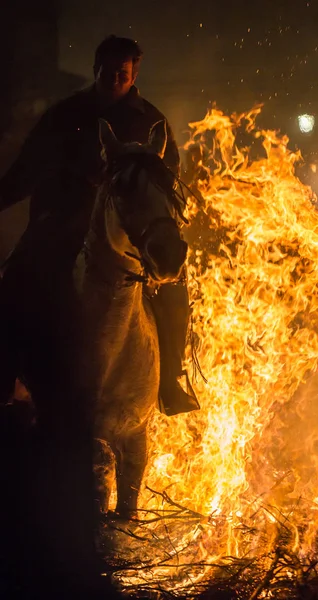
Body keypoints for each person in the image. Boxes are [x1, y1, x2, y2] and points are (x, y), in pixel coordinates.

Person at [0, 35, 197, 415]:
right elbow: (27, 171)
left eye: (122, 73)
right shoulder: (64, 116)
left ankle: (170, 378)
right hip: (60, 226)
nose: (113, 79)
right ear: (95, 70)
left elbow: (168, 179)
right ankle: (6, 373)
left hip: (126, 236)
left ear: (134, 74)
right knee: (17, 277)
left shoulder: (152, 122)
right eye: (107, 71)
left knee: (174, 284)